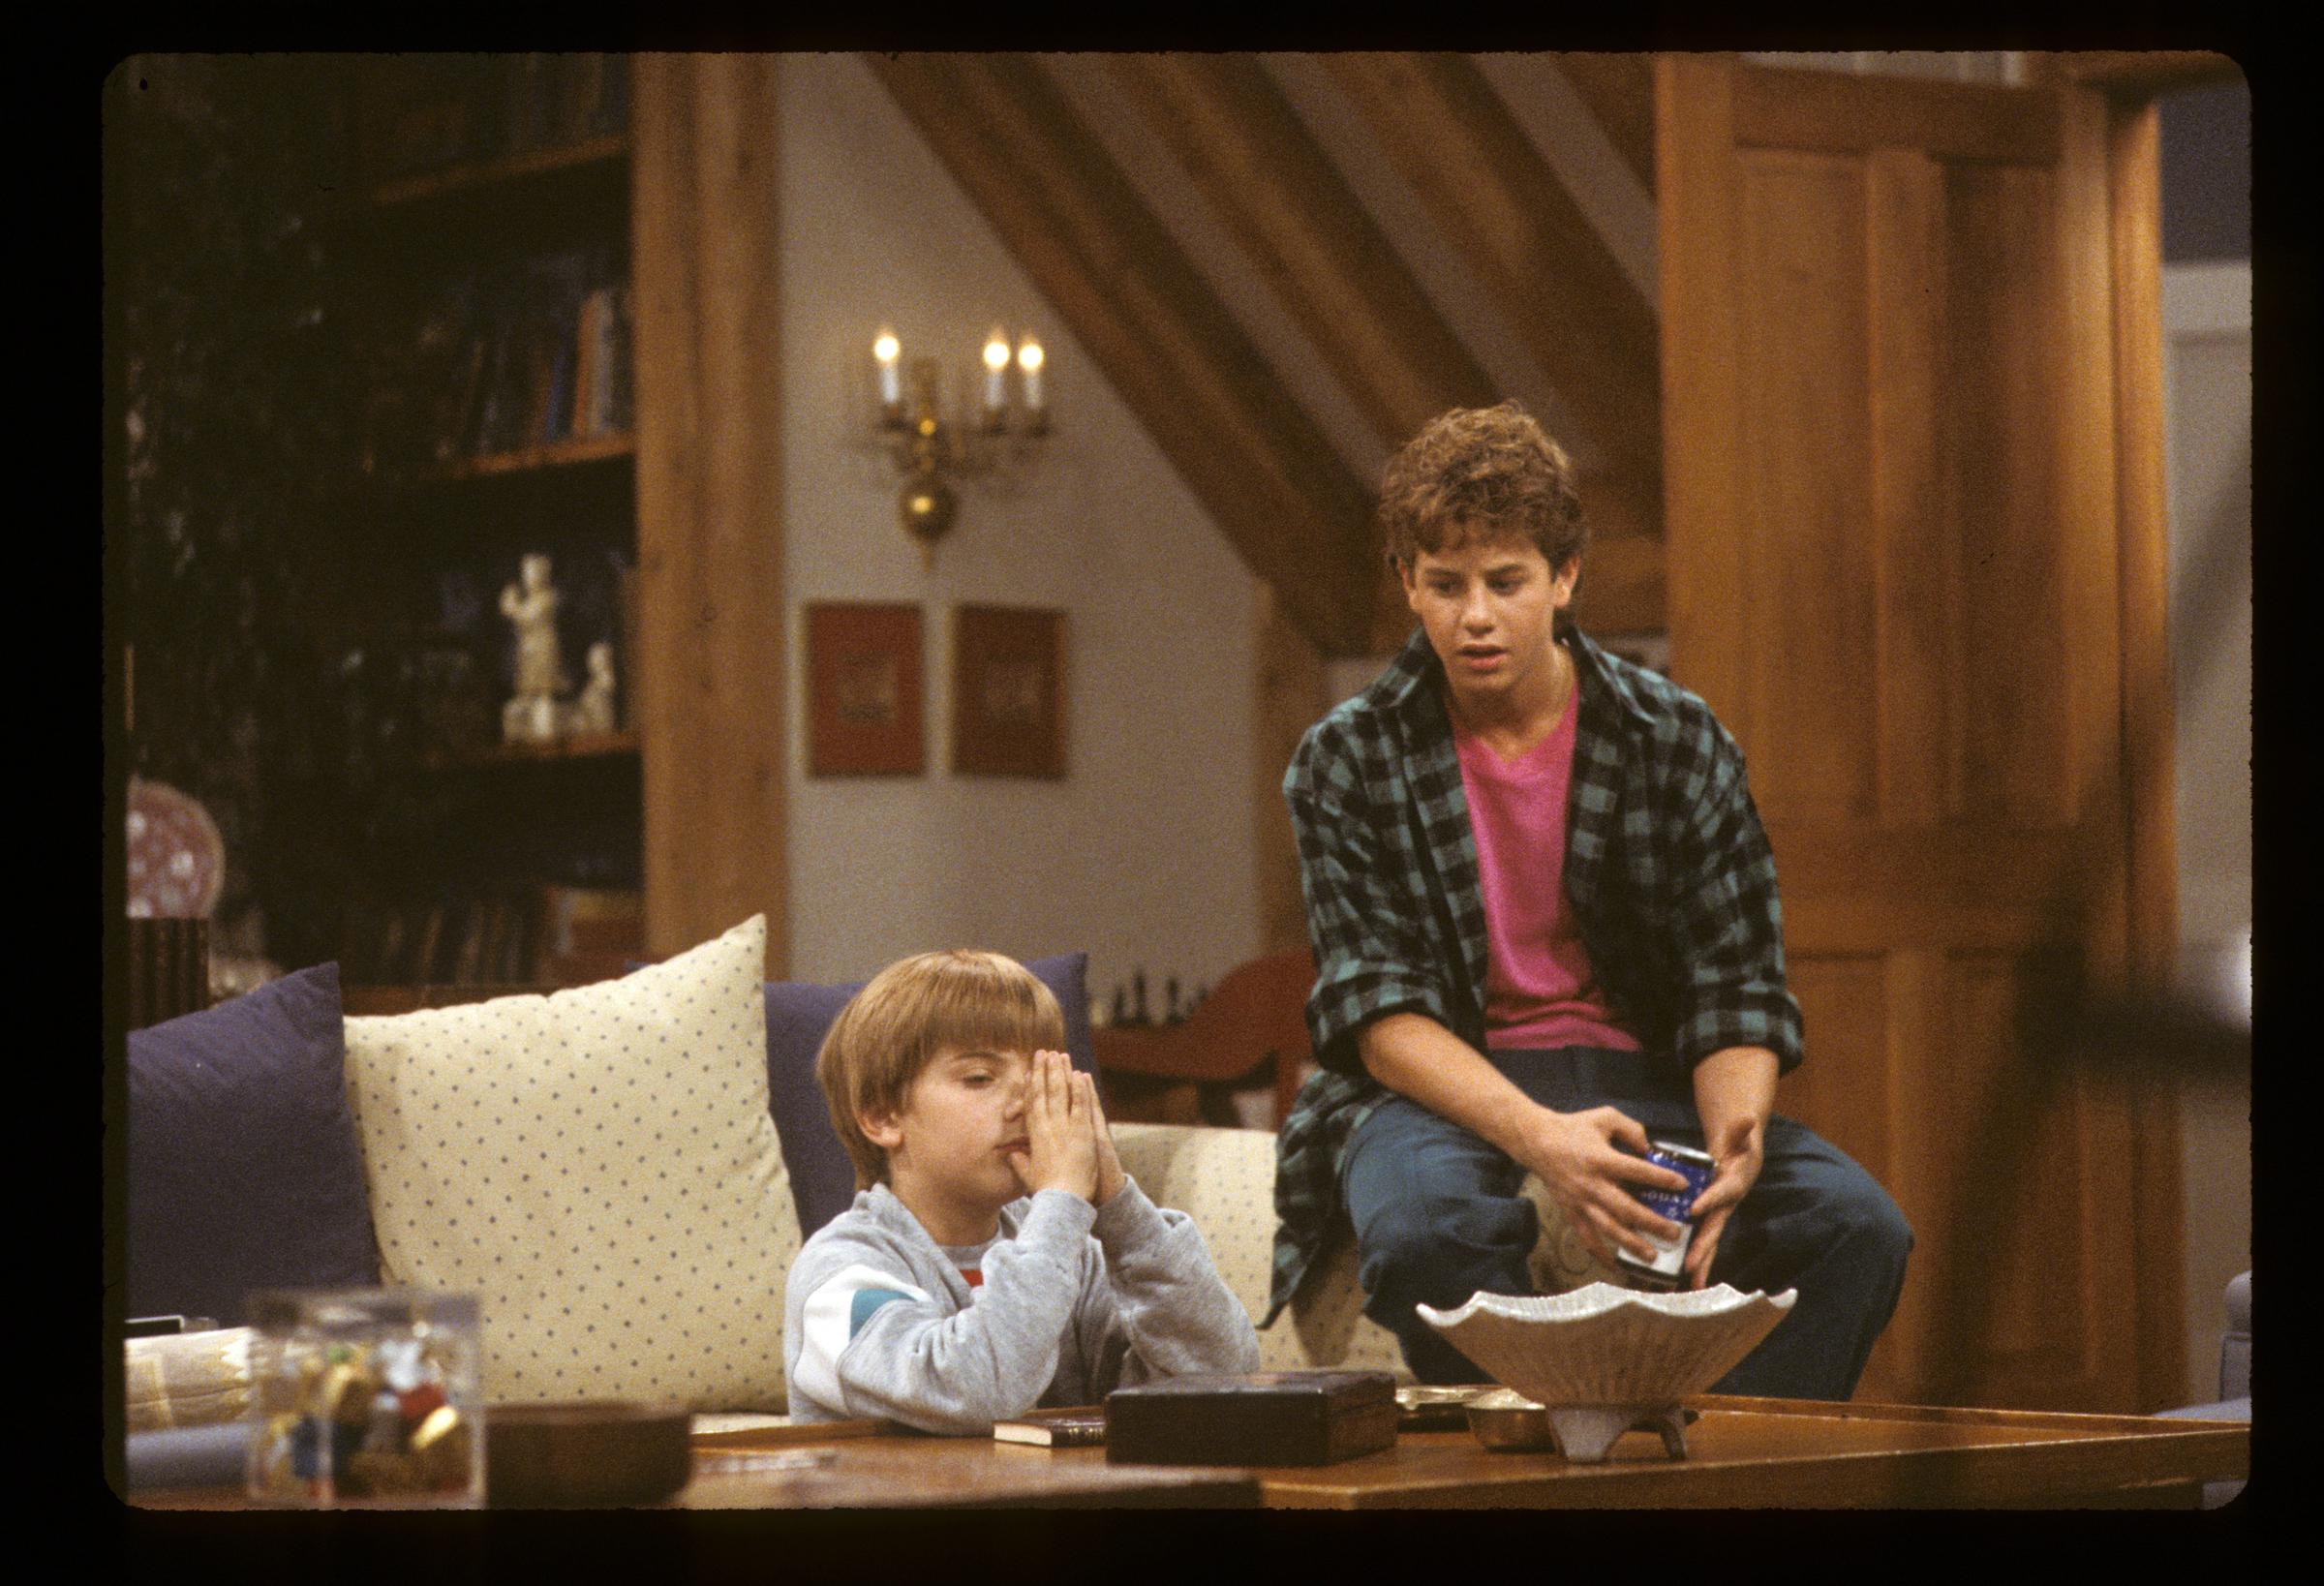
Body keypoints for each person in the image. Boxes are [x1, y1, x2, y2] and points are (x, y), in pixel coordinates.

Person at [1268, 402, 1911, 1399]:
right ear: (1408, 585)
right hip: (1445, 1081)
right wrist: (1540, 1140)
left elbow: (1734, 983)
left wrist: (1735, 1136)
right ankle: (1538, 1463)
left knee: (1858, 1228)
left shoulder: (1676, 739)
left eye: (1507, 581)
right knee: (1425, 1233)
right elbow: (1375, 1014)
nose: (1476, 615)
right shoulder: (1347, 758)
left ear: (1566, 579)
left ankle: (1725, 1480)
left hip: (1644, 1071)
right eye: (1445, 585)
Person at [785, 949, 1261, 1430]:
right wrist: (1059, 1205)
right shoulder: (841, 1271)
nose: (1026, 1103)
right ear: (884, 1116)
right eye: (979, 1078)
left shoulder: (1066, 1250)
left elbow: (1221, 1379)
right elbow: (975, 1392)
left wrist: (1118, 1205)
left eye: (1039, 1076)